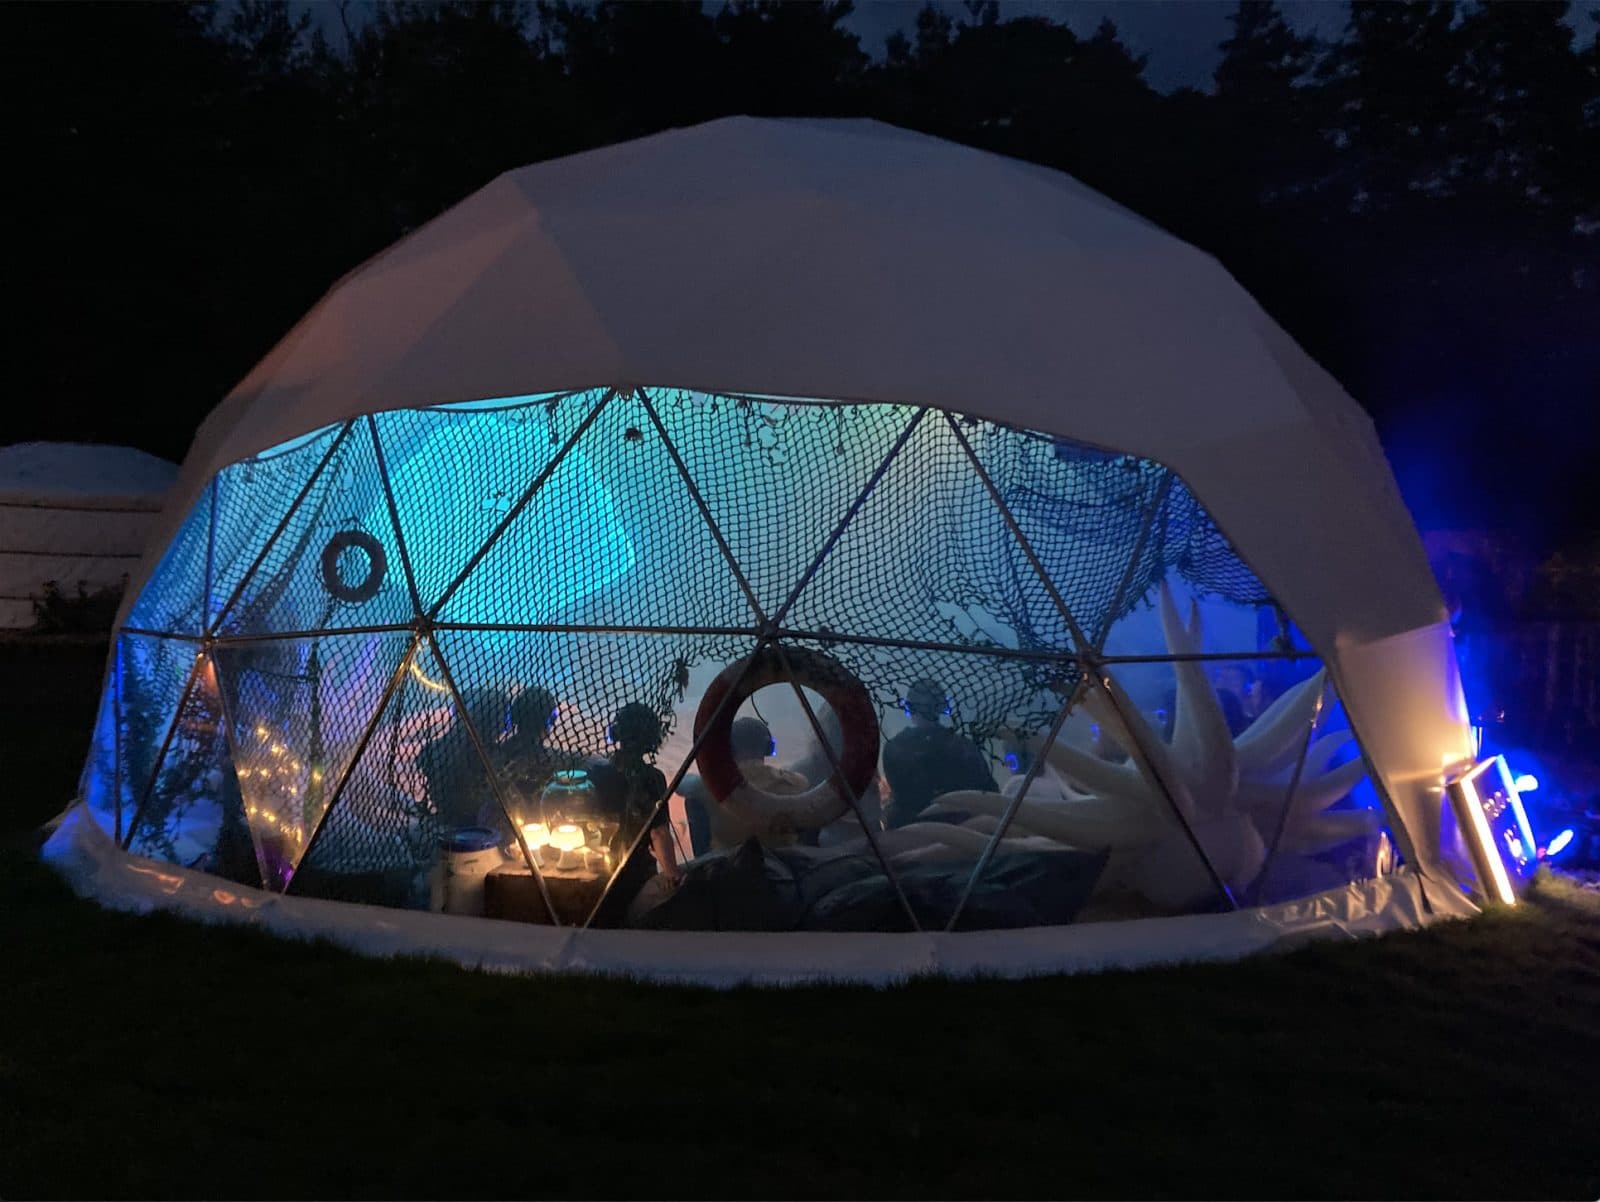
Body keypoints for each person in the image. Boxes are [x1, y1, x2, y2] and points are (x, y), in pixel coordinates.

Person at [587, 702, 679, 923]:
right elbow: (659, 833)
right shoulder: (653, 778)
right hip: (637, 873)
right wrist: (672, 875)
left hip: (595, 869)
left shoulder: (596, 773)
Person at [682, 715, 810, 854]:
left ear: (729, 748)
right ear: (768, 747)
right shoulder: (796, 783)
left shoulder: (708, 785)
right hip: (790, 869)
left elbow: (685, 785)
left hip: (725, 871)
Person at [881, 678, 997, 828]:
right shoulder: (964, 747)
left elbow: (902, 796)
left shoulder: (895, 748)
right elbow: (989, 794)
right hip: (964, 835)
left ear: (908, 707)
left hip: (909, 833)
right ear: (943, 706)